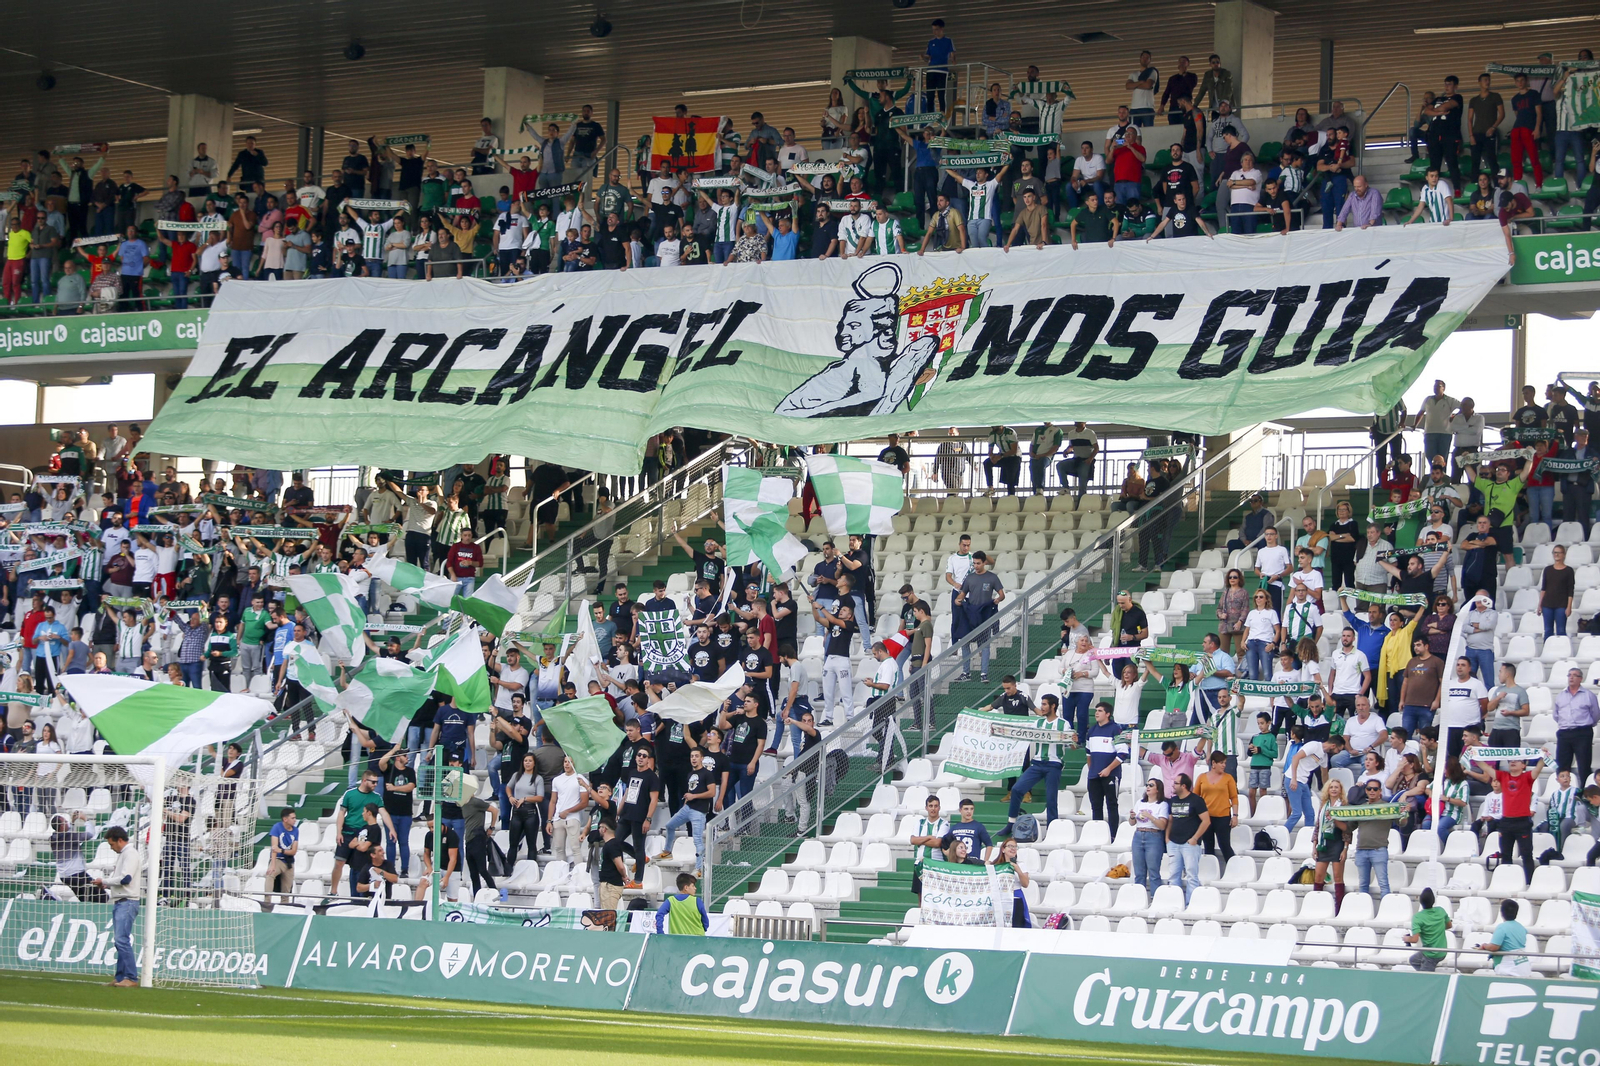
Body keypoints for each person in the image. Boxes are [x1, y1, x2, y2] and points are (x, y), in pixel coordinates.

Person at [1002, 693, 1071, 832]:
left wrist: (1073, 740)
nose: (1042, 707)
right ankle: (1011, 823)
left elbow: (1071, 745)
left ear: (1053, 706)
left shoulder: (1064, 724)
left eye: (1045, 704)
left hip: (1054, 764)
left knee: (1051, 798)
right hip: (1038, 763)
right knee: (1016, 789)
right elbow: (1024, 734)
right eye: (1042, 704)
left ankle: (1053, 830)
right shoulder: (1038, 723)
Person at [95, 825, 141, 987]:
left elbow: (126, 878)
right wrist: (107, 886)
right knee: (120, 940)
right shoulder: (124, 854)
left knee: (121, 940)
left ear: (120, 840)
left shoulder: (130, 854)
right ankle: (121, 977)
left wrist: (105, 881)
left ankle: (131, 977)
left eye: (112, 844)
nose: (111, 847)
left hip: (127, 902)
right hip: (121, 901)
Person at [1553, 667, 1598, 789]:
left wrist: (1586, 725)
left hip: (1582, 732)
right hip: (1564, 733)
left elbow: (1595, 715)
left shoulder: (1588, 695)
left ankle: (1585, 793)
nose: (1571, 677)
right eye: (1569, 675)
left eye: (1574, 675)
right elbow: (1556, 715)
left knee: (1583, 765)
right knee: (1562, 765)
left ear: (1581, 679)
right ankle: (1563, 792)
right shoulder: (1561, 696)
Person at [1129, 779, 1169, 898]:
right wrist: (1132, 817)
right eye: (1147, 785)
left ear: (1158, 789)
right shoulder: (1140, 803)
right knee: (1139, 871)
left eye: (1151, 785)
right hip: (1138, 834)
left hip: (1153, 836)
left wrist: (1150, 816)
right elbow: (1132, 823)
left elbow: (1162, 825)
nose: (1148, 787)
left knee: (1153, 871)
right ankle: (1138, 898)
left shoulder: (1162, 805)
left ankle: (1155, 898)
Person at [1480, 899, 1533, 977]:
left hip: (1509, 967)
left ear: (1502, 913)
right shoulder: (1521, 928)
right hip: (1522, 964)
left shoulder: (1502, 927)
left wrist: (1484, 946)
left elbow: (1494, 947)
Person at [1405, 887, 1452, 971]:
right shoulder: (1441, 911)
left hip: (1431, 954)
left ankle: (1426, 973)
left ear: (1420, 901)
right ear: (1433, 901)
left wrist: (1406, 938)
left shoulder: (1417, 917)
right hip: (1442, 951)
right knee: (1414, 960)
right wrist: (1437, 928)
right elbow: (1449, 925)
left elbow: (1415, 939)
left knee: (1425, 978)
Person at [266, 807, 298, 905]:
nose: (295, 820)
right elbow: (274, 847)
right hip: (279, 859)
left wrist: (282, 850)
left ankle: (285, 904)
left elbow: (294, 851)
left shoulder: (296, 830)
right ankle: (267, 902)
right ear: (285, 819)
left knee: (287, 888)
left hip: (289, 861)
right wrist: (273, 864)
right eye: (292, 818)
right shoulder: (277, 827)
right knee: (270, 875)